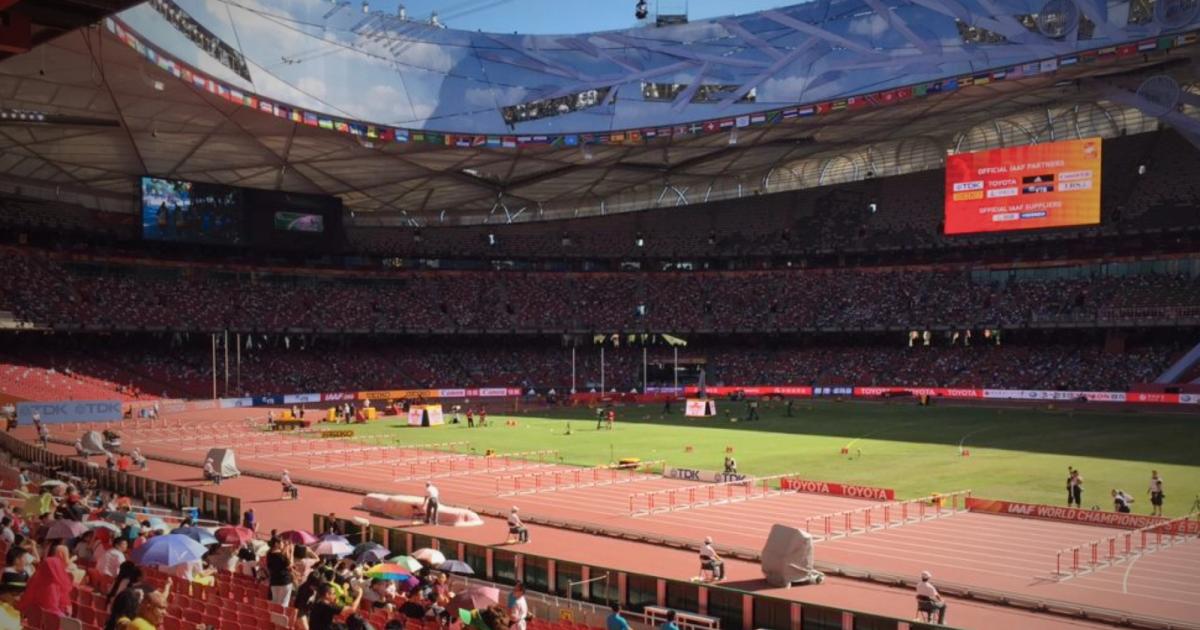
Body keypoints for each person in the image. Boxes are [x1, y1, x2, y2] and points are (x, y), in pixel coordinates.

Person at [17, 543, 75, 620]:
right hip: (48, 620)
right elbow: (51, 609)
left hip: (31, 619)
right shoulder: (52, 586)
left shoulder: (35, 580)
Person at [267, 539, 295, 607]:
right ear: (276, 544)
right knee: (283, 604)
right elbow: (290, 565)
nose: (283, 544)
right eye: (282, 542)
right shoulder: (281, 556)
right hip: (284, 581)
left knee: (275, 604)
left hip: (274, 582)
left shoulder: (269, 554)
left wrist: (285, 548)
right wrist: (291, 552)